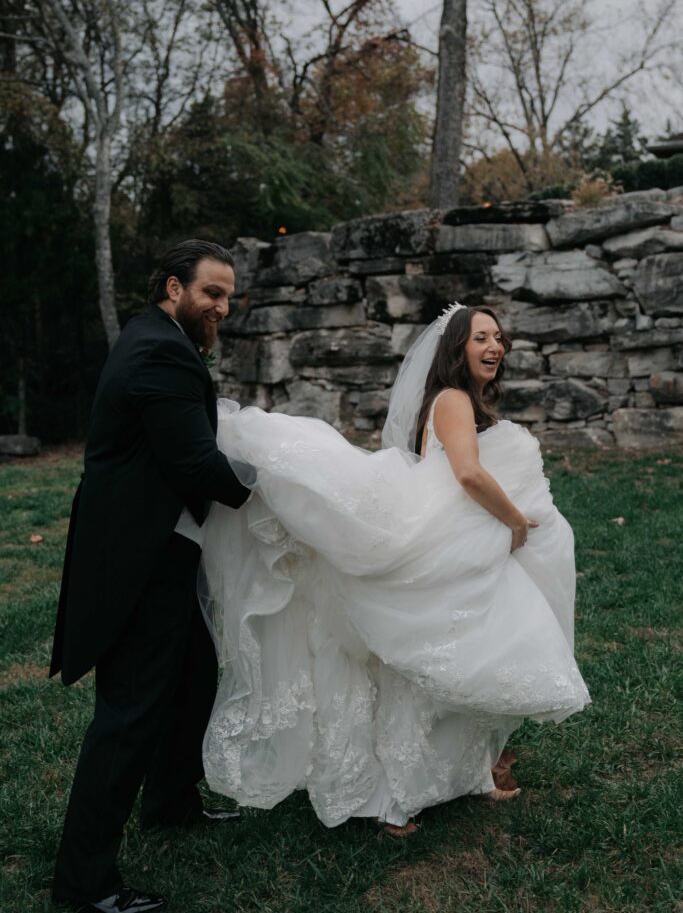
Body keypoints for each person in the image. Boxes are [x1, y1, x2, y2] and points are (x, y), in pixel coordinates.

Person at [199, 301, 590, 836]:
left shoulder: (464, 403)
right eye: (480, 338)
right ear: (457, 348)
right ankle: (394, 794)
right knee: (425, 668)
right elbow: (469, 475)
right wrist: (516, 522)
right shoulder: (453, 399)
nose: (495, 346)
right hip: (450, 544)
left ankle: (459, 769)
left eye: (498, 337)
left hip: (465, 545)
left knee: (447, 663)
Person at [50, 240, 251, 913]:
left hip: (162, 549)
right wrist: (273, 493)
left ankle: (170, 801)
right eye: (212, 293)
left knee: (192, 676)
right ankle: (83, 887)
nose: (223, 306)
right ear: (173, 288)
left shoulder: (157, 339)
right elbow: (195, 464)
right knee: (128, 717)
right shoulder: (160, 350)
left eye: (228, 295)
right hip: (135, 563)